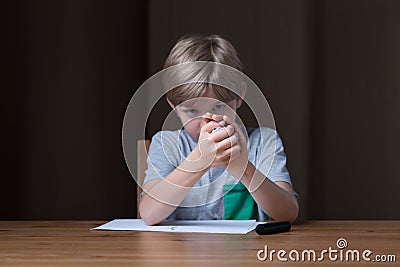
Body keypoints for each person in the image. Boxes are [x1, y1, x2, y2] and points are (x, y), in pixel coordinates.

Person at [139, 34, 299, 226]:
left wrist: (243, 169)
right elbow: (148, 214)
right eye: (192, 111)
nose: (208, 121)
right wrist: (198, 161)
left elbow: (288, 213)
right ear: (173, 106)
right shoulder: (166, 144)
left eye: (218, 107)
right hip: (180, 253)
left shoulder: (263, 142)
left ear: (239, 97)